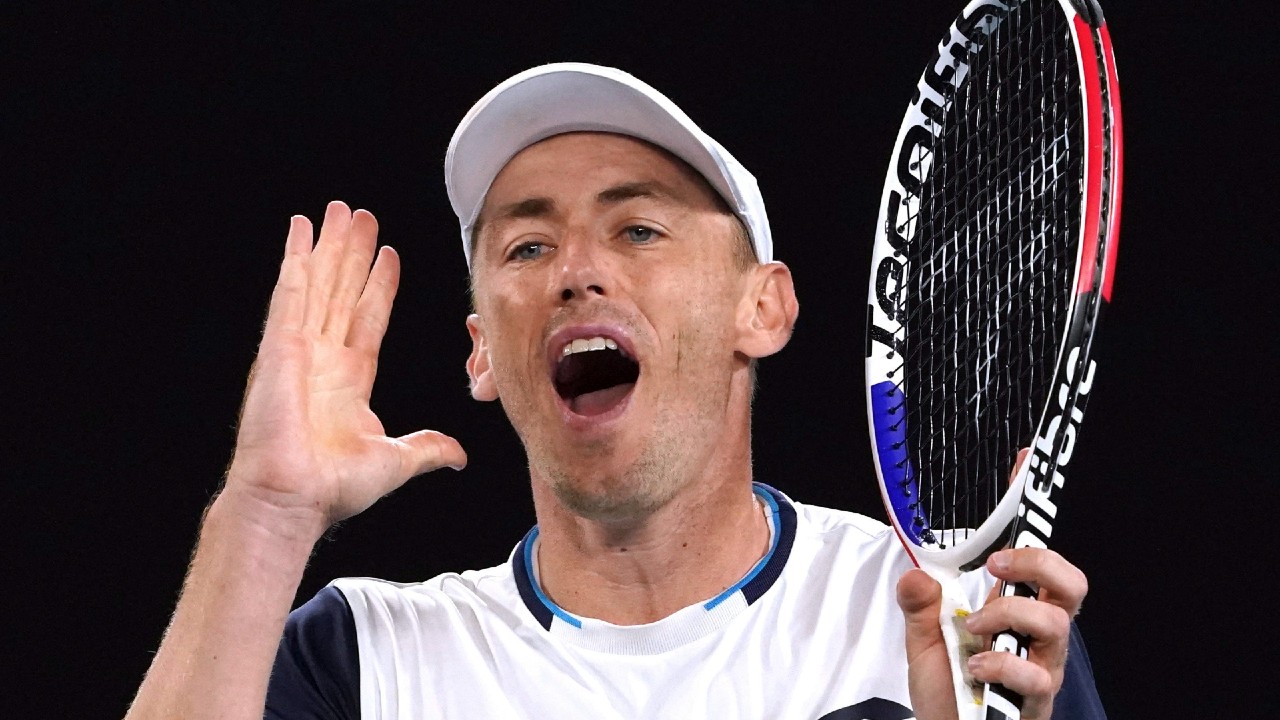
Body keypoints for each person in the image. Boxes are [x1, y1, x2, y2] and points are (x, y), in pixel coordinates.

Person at [124, 63, 1105, 720]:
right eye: (525, 245)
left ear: (759, 310)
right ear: (479, 354)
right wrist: (263, 513)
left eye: (638, 230)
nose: (575, 272)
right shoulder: (361, 661)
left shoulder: (939, 615)